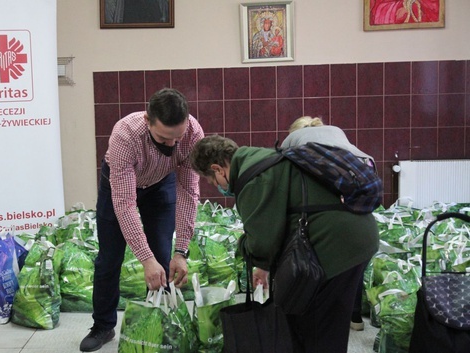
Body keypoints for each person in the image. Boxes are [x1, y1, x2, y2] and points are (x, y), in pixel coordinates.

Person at [189, 134, 379, 353]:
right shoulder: (263, 160)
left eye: (213, 181)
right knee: (324, 322)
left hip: (337, 245)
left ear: (218, 169)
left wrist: (243, 245)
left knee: (318, 327)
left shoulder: (252, 178)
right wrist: (263, 265)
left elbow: (261, 244)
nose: (218, 186)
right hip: (354, 235)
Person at [80, 88, 204, 352]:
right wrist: (144, 259)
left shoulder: (193, 133)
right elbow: (125, 205)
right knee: (109, 257)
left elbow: (188, 192)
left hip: (161, 185)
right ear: (148, 121)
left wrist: (181, 250)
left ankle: (159, 325)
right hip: (120, 187)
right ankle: (102, 326)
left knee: (162, 255)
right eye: (163, 138)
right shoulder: (125, 134)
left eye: (176, 139)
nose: (171, 146)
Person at [282, 116, 376, 331]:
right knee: (352, 276)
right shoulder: (350, 154)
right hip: (365, 231)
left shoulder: (300, 159)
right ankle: (353, 318)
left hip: (326, 233)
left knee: (325, 286)